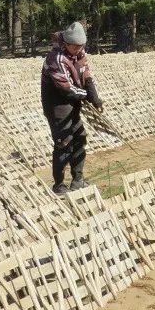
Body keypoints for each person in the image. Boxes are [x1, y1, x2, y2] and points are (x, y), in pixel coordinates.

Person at [41, 21, 102, 194]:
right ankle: (59, 185)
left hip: (73, 101)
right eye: (74, 47)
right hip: (57, 104)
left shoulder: (80, 52)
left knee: (79, 138)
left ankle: (78, 179)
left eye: (80, 47)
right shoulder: (56, 59)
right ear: (66, 43)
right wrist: (86, 96)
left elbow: (87, 74)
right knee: (63, 143)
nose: (77, 50)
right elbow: (66, 88)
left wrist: (94, 95)